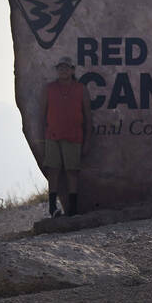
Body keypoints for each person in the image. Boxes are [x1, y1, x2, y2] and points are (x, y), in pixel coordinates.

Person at [41, 56, 92, 217]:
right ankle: (52, 207)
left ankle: (73, 208)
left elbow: (88, 116)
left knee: (72, 172)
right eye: (60, 68)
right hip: (53, 136)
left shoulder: (80, 89)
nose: (63, 70)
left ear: (72, 70)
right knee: (53, 171)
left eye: (66, 67)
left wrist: (88, 140)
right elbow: (42, 113)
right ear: (56, 70)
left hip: (74, 136)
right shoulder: (49, 89)